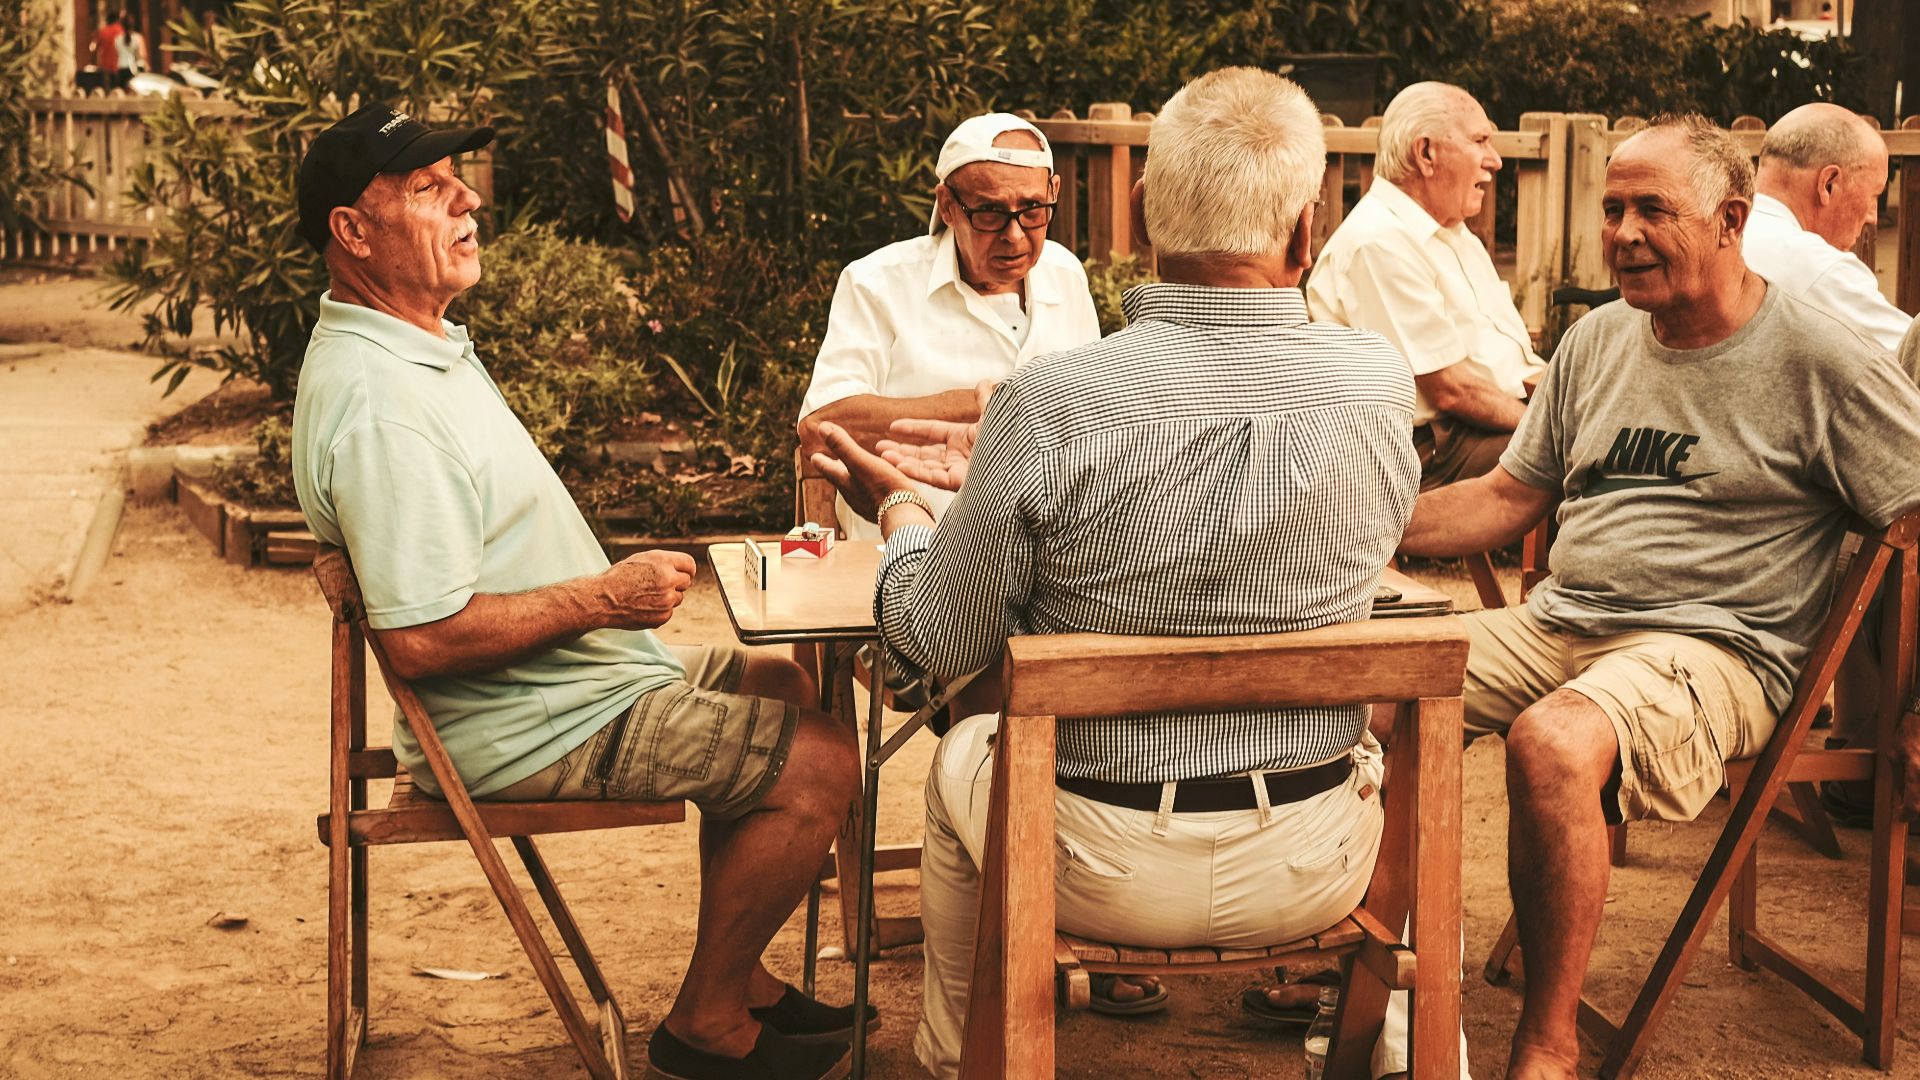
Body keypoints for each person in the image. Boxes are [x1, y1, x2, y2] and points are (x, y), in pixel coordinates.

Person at [810, 67, 1465, 1080]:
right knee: (1395, 758)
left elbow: (927, 647)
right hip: (1323, 856)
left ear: (1146, 212)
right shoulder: (1377, 381)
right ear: (1307, 231)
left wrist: (901, 512)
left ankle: (954, 1064)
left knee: (959, 758)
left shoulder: (1051, 402)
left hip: (1089, 863)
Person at [287, 103, 863, 1080]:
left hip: (571, 684)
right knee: (820, 767)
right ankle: (708, 1025)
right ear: (353, 231)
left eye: (457, 178)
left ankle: (741, 976)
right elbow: (423, 641)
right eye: (430, 189)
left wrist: (611, 608)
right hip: (530, 724)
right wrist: (605, 599)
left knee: (778, 683)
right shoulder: (383, 406)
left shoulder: (407, 344)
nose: (469, 200)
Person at [1398, 115, 1920, 1080]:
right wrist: (1361, 527)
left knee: (1553, 742)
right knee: (1372, 679)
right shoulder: (1598, 341)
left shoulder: (1822, 360)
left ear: (1730, 219)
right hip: (1564, 622)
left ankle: (1547, 1045)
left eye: (1651, 210)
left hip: (1717, 647)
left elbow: (1915, 512)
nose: (1624, 233)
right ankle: (1374, 980)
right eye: (1612, 211)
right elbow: (1510, 495)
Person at [795, 112, 1101, 538]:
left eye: (1032, 209)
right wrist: (989, 406)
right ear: (948, 204)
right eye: (990, 213)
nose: (1014, 235)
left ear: (1054, 192)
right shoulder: (877, 283)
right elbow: (819, 430)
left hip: (1045, 563)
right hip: (910, 556)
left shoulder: (1065, 273)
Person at [1307, 82, 1544, 490]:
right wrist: (1551, 431)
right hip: (1427, 448)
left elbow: (1506, 365)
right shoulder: (1379, 242)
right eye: (1481, 140)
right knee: (1579, 464)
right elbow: (1450, 390)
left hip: (1476, 424)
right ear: (1426, 153)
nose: (1495, 160)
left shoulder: (1452, 233)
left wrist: (1571, 403)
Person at [1744, 102, 1910, 352]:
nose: (1873, 217)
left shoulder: (1719, 231)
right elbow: (1912, 356)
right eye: (1874, 195)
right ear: (1828, 184)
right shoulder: (1816, 267)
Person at [91, 11, 125, 89]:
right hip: (119, 65)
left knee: (108, 90)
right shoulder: (121, 31)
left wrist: (94, 62)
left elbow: (96, 48)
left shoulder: (103, 31)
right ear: (117, 20)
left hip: (106, 66)